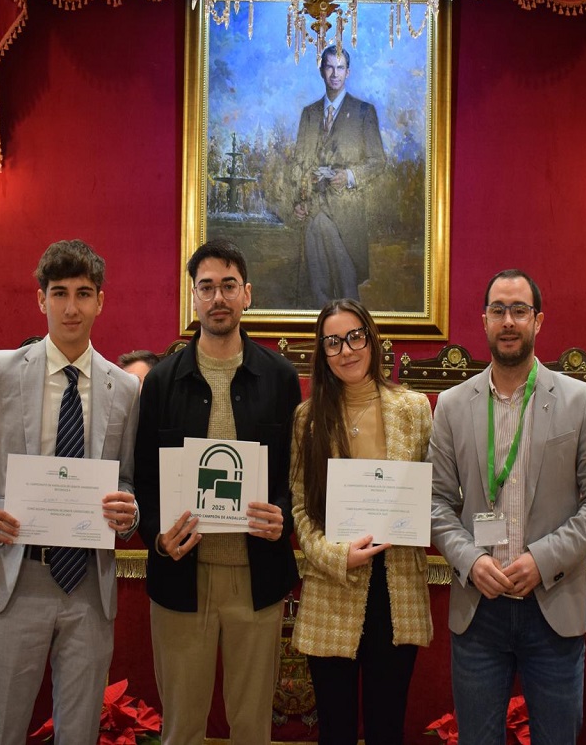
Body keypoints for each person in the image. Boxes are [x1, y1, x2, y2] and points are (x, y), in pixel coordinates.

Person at [0, 239, 141, 745]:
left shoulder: (124, 388)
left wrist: (130, 506)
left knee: (78, 733)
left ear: (101, 300)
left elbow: (127, 478)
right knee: (4, 729)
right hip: (16, 576)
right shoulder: (3, 368)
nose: (72, 307)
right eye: (60, 293)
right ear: (41, 300)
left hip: (88, 585)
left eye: (83, 293)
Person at [427, 269, 586, 745]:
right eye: (498, 310)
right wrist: (471, 560)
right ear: (484, 321)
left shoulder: (582, 401)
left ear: (539, 321)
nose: (508, 321)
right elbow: (433, 502)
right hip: (480, 613)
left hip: (552, 608)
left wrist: (543, 559)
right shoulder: (452, 406)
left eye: (519, 310)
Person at [134, 238, 301, 745]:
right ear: (194, 299)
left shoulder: (281, 378)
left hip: (257, 578)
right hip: (182, 579)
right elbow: (142, 479)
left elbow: (297, 479)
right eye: (206, 288)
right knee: (181, 728)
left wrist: (285, 518)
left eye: (228, 286)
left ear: (247, 294)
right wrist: (159, 539)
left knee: (252, 728)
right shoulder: (162, 382)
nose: (218, 298)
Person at [290, 299, 433, 745]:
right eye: (333, 342)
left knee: (387, 725)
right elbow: (299, 508)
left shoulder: (413, 408)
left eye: (355, 337)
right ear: (322, 352)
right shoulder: (307, 419)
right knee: (334, 728)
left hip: (397, 588)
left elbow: (435, 493)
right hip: (333, 587)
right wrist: (335, 555)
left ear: (371, 340)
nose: (346, 350)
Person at [292, 45, 386, 305]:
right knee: (316, 291)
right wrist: (299, 201)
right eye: (330, 67)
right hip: (313, 213)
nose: (335, 73)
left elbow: (378, 161)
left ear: (348, 72)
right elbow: (299, 164)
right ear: (322, 71)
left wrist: (350, 176)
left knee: (346, 292)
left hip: (346, 216)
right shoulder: (309, 114)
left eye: (340, 67)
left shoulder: (363, 112)